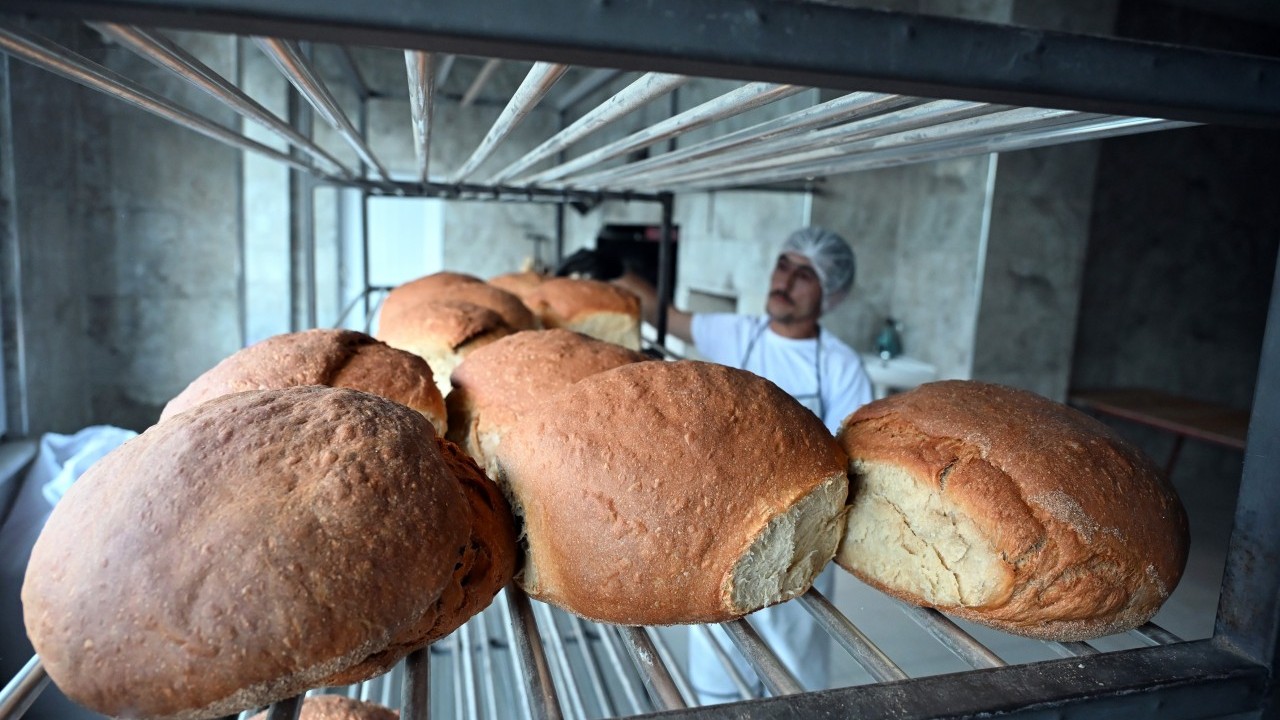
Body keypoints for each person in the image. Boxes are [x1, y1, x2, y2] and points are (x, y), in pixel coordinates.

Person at [609, 226, 874, 703]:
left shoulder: (840, 365)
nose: (786, 280)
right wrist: (620, 275)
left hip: (796, 540)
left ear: (830, 293)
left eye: (805, 274)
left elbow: (850, 465)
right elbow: (665, 313)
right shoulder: (737, 332)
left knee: (792, 689)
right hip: (718, 529)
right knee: (719, 683)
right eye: (783, 265)